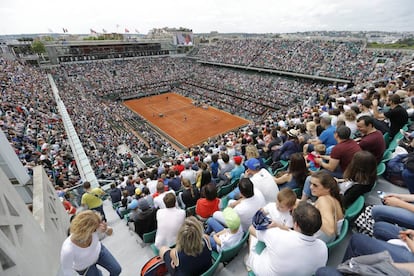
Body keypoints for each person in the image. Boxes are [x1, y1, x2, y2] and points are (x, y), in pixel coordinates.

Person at [245, 201, 327, 276]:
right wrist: (279, 226)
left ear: (296, 225)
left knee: (253, 239)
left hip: (266, 272)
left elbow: (251, 229)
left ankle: (249, 262)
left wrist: (274, 228)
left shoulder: (278, 235)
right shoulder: (323, 247)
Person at [60, 210, 121, 276]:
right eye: (93, 230)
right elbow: (67, 270)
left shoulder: (95, 227)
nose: (95, 232)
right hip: (84, 266)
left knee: (116, 269)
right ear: (85, 231)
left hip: (99, 252)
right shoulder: (68, 249)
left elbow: (110, 233)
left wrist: (106, 229)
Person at [309, 171, 344, 243]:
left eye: (315, 185)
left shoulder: (323, 200)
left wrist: (308, 213)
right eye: (311, 184)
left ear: (327, 188)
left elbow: (330, 230)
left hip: (318, 241)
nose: (311, 187)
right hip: (327, 239)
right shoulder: (332, 198)